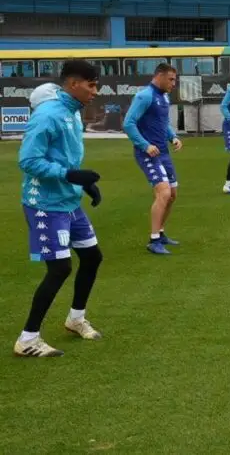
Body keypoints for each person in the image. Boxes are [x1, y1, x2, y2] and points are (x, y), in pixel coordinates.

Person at [15, 60, 103, 358]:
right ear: (73, 83)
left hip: (68, 200)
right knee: (60, 268)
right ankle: (27, 339)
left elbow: (67, 159)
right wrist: (69, 175)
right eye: (91, 85)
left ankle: (75, 319)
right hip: (45, 204)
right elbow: (28, 161)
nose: (95, 91)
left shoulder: (72, 111)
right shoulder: (48, 115)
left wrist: (82, 183)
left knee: (91, 257)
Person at [123, 63, 183, 255]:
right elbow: (128, 123)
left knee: (172, 195)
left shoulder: (164, 97)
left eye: (175, 79)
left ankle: (161, 233)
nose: (174, 83)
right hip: (147, 153)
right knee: (163, 193)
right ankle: (153, 239)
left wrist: (173, 136)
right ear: (159, 76)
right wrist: (145, 145)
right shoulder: (144, 96)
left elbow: (163, 123)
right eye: (171, 79)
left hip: (163, 152)